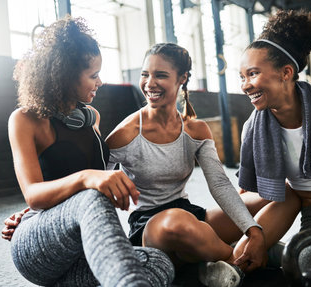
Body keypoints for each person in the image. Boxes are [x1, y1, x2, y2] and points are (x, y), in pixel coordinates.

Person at [5, 16, 174, 287]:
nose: (100, 82)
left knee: (156, 260)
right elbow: (34, 194)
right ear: (64, 76)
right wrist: (87, 179)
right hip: (39, 244)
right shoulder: (25, 120)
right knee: (90, 197)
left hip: (82, 248)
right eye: (93, 75)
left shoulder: (91, 117)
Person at [104, 43, 267, 287]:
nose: (150, 83)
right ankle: (238, 259)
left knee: (277, 195)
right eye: (145, 74)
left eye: (160, 75)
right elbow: (92, 192)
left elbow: (220, 185)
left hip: (191, 216)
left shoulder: (196, 130)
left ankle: (219, 255)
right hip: (152, 228)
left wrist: (253, 231)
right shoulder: (124, 134)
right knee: (178, 222)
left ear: (183, 78)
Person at [234, 9, 311, 271]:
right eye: (242, 77)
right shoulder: (253, 130)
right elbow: (245, 193)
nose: (245, 85)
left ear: (286, 72)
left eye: (253, 74)